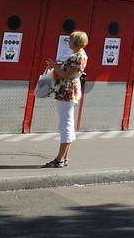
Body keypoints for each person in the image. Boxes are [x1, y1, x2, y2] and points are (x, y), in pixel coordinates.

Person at [44, 30, 89, 168]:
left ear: (76, 42)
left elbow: (65, 75)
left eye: (70, 40)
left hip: (67, 91)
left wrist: (55, 67)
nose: (68, 42)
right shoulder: (80, 55)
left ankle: (59, 159)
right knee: (67, 123)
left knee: (66, 124)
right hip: (70, 91)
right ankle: (64, 157)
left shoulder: (77, 56)